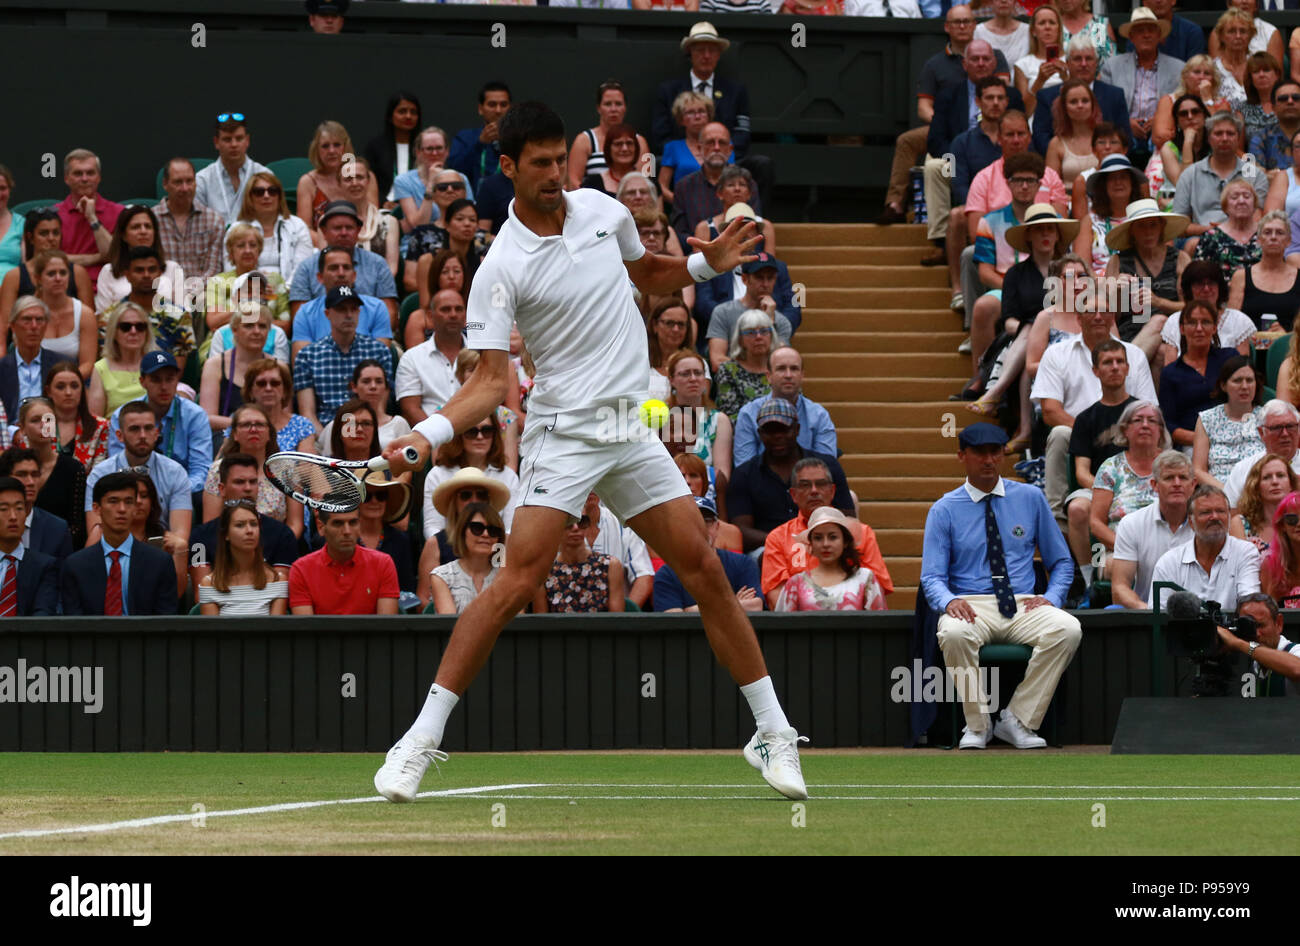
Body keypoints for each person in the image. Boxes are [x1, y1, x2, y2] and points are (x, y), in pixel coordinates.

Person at [374, 101, 808, 803]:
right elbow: (489, 382)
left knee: (701, 564)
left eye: (559, 160)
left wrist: (704, 263)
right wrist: (426, 436)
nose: (554, 175)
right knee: (515, 583)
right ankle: (419, 741)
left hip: (630, 430)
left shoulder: (604, 211)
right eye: (538, 163)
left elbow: (647, 271)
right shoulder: (499, 268)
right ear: (508, 167)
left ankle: (771, 732)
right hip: (563, 435)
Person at [921, 422, 1081, 750]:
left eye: (996, 452)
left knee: (1068, 628)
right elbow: (931, 577)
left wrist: (1051, 597)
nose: (989, 460)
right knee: (952, 633)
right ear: (961, 456)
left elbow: (1062, 562)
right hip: (971, 603)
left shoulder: (1031, 498)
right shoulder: (944, 509)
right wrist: (948, 601)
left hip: (1024, 603)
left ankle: (1018, 720)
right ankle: (977, 726)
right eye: (980, 453)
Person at [1032, 301, 1158, 522]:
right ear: (1078, 319)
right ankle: (1057, 521)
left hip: (1129, 434)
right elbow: (1050, 411)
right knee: (1060, 434)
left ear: (1114, 318)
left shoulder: (1134, 355)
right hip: (1077, 429)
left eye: (1106, 311)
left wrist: (1121, 433)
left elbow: (1149, 410)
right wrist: (1089, 430)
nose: (1099, 316)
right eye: (1091, 311)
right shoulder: (1057, 354)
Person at [760, 455, 892, 608]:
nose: (814, 491)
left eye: (821, 484)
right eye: (805, 485)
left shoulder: (862, 533)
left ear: (833, 491)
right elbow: (778, 601)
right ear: (793, 495)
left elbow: (876, 592)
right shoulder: (778, 538)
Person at [730, 400, 856, 553]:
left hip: (824, 542)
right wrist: (784, 541)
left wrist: (812, 540)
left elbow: (848, 518)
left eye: (784, 430)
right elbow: (740, 531)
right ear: (760, 434)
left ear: (797, 429)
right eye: (770, 431)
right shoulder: (745, 474)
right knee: (765, 555)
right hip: (767, 546)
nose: (777, 436)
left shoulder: (827, 466)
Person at [1059, 340, 1137, 575]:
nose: (1115, 367)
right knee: (1078, 509)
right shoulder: (1085, 418)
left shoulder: (1142, 412)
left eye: (1119, 361)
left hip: (1141, 484)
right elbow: (1081, 471)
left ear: (1128, 367)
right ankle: (1089, 578)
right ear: (1096, 371)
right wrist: (1106, 492)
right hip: (1097, 487)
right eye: (1107, 362)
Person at [60, 471, 179, 615]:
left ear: (135, 508)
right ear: (97, 508)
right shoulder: (75, 565)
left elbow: (165, 622)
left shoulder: (159, 562)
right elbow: (74, 625)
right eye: (113, 501)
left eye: (128, 502)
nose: (122, 509)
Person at [189, 452, 299, 590]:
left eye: (253, 482)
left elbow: (280, 591)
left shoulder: (282, 534)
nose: (248, 488)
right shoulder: (199, 538)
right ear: (222, 489)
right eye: (239, 482)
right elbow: (201, 593)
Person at [106, 350, 210, 495]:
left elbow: (200, 470)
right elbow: (117, 465)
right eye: (156, 379)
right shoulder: (122, 416)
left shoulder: (195, 416)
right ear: (143, 382)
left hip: (182, 490)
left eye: (170, 379)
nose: (164, 387)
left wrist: (175, 491)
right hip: (133, 491)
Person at [293, 285, 394, 430]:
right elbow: (308, 415)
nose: (348, 315)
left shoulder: (379, 351)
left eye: (353, 309)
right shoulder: (308, 356)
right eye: (341, 309)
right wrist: (327, 442)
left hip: (369, 430)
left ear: (359, 312)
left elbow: (379, 410)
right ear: (327, 313)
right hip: (325, 432)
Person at [1150, 483, 1260, 610]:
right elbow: (1158, 616)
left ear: (1229, 517)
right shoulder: (1169, 562)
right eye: (1205, 512)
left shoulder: (1245, 552)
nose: (1215, 517)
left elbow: (1250, 606)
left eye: (1220, 511)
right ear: (1191, 522)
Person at [203, 403, 303, 538]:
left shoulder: (287, 470)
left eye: (260, 425)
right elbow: (211, 524)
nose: (253, 429)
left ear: (269, 434)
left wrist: (278, 548)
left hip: (277, 544)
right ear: (235, 435)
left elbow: (295, 524)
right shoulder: (218, 470)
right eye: (245, 425)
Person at [1099, 7, 1186, 163]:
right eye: (1140, 31)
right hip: (1122, 135)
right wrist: (1125, 121)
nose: (1146, 35)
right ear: (1131, 37)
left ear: (1159, 35)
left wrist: (1160, 120)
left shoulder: (1178, 68)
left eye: (1151, 30)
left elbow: (1183, 105)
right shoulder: (1112, 66)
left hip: (1163, 137)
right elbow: (1105, 106)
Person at [1111, 448, 1195, 607]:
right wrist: (1150, 612)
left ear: (1193, 485)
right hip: (1146, 615)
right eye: (1169, 478)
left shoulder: (1208, 522)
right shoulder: (1131, 524)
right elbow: (1119, 588)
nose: (1177, 484)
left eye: (1183, 478)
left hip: (1200, 618)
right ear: (1154, 485)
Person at [287, 201, 398, 320]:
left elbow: (390, 314)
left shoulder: (377, 264)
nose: (343, 233)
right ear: (324, 232)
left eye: (349, 228)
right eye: (337, 228)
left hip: (369, 334)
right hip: (319, 335)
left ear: (358, 230)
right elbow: (299, 317)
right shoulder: (306, 268)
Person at [0, 210, 93, 347]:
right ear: (30, 237)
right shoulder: (14, 276)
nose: (51, 238)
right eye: (44, 233)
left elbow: (88, 322)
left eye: (56, 233)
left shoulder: (78, 273)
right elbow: (5, 326)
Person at [1089, 399, 1170, 557]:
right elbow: (1096, 523)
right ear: (1125, 429)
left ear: (1160, 430)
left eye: (1152, 421)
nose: (1145, 425)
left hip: (1167, 551)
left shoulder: (1174, 465)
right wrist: (1128, 549)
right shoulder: (1111, 467)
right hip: (1117, 550)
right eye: (1138, 420)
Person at [97, 247, 196, 374]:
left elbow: (179, 369)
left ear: (160, 274)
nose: (146, 275)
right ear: (127, 275)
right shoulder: (109, 317)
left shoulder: (179, 316)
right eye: (139, 270)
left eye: (152, 269)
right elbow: (106, 362)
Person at [732, 348, 836, 470]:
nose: (788, 375)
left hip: (808, 485)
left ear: (802, 375)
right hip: (760, 485)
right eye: (781, 369)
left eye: (794, 369)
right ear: (769, 376)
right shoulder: (749, 414)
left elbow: (826, 467)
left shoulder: (819, 415)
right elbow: (745, 469)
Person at [655, 495, 760, 613]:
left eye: (706, 521)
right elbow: (673, 621)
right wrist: (735, 604)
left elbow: (756, 606)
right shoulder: (666, 574)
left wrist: (692, 610)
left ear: (717, 526)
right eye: (693, 521)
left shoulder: (743, 564)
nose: (701, 528)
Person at [1171, 111, 1272, 233]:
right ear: (1209, 138)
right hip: (1201, 237)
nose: (1224, 138)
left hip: (1245, 236)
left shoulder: (1254, 174)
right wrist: (1210, 231)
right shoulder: (1190, 174)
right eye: (1218, 134)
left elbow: (1258, 216)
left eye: (1230, 134)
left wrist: (1232, 231)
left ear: (1238, 138)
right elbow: (1179, 225)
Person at [421, 413, 519, 538]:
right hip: (450, 548)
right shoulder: (437, 475)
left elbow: (509, 529)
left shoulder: (508, 476)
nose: (480, 437)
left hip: (492, 548)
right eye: (472, 431)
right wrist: (449, 551)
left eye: (487, 431)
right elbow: (432, 527)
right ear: (459, 435)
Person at [1104, 200, 1191, 339]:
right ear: (1132, 231)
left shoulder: (1179, 258)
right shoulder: (1117, 262)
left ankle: (1134, 359)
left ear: (1161, 227)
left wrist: (1159, 302)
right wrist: (1117, 292)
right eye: (1141, 226)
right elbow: (1108, 316)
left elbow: (1191, 308)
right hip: (1130, 333)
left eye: (1153, 225)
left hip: (1173, 331)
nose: (1148, 232)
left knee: (1162, 336)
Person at [1159, 299, 1239, 449]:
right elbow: (1168, 424)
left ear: (1215, 328)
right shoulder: (1171, 373)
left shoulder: (1230, 359)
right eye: (1192, 323)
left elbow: (1246, 400)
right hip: (1191, 444)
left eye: (1206, 322)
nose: (1199, 328)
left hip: (1233, 437)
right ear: (1182, 329)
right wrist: (1203, 439)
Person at [289, 507, 400, 615]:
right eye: (338, 523)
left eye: (353, 523)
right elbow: (306, 630)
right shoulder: (301, 570)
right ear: (321, 527)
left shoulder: (382, 563)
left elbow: (386, 628)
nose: (347, 531)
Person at [774, 506, 885, 612]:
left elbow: (879, 623)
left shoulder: (865, 578)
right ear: (810, 543)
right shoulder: (796, 583)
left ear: (845, 541)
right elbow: (783, 626)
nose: (825, 544)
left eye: (833, 537)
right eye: (818, 538)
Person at [320, 469, 414, 593]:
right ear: (354, 501)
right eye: (367, 496)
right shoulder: (337, 539)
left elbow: (407, 591)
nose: (374, 501)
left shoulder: (400, 541)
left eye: (381, 496)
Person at [291, 248, 391, 360]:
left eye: (346, 268)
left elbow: (381, 360)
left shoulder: (377, 308)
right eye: (333, 268)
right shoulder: (305, 312)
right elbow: (301, 362)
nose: (341, 273)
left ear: (354, 276)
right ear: (320, 277)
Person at [12, 398, 86, 544]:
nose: (43, 425)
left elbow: (77, 526)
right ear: (22, 428)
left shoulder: (73, 469)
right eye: (35, 420)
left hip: (59, 551)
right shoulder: (10, 467)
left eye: (48, 420)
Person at [197, 499, 289, 616]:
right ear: (226, 534)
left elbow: (276, 633)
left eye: (254, 524)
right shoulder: (209, 584)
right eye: (240, 525)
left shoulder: (278, 580)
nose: (249, 531)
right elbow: (214, 633)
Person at [704, 253, 793, 372]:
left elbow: (783, 363)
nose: (765, 284)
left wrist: (770, 321)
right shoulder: (723, 312)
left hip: (769, 386)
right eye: (759, 277)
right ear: (745, 279)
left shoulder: (781, 321)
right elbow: (717, 360)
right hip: (733, 384)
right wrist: (752, 373)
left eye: (770, 278)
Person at [671, 123, 753, 250]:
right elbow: (680, 233)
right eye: (710, 142)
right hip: (698, 254)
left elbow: (755, 225)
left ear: (730, 149)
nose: (716, 148)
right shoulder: (684, 186)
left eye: (722, 143)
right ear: (699, 148)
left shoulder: (747, 183)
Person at [200, 302, 275, 440]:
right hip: (226, 439)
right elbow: (206, 418)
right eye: (249, 325)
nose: (257, 331)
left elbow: (284, 415)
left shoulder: (277, 366)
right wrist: (246, 425)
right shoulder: (215, 365)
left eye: (262, 326)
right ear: (234, 330)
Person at [205, 226, 290, 344]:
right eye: (240, 246)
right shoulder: (218, 281)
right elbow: (213, 322)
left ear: (259, 250)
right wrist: (246, 301)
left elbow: (286, 325)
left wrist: (237, 324)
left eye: (253, 245)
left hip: (268, 341)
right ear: (231, 253)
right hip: (225, 341)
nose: (247, 250)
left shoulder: (274, 280)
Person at [1159, 260, 1255, 362]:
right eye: (1199, 284)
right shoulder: (1174, 321)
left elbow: (1242, 368)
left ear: (1219, 287)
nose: (1206, 289)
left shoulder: (1239, 320)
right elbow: (1170, 370)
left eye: (1211, 283)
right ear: (1189, 289)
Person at [297, 121, 376, 243]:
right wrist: (333, 244)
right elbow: (304, 229)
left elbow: (373, 219)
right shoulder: (307, 182)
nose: (331, 151)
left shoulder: (365, 176)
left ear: (346, 147)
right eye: (325, 146)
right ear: (316, 149)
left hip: (365, 244)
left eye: (337, 145)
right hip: (322, 248)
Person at [1193, 355, 1265, 488]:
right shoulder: (1207, 418)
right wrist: (1227, 493)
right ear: (1223, 385)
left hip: (1258, 491)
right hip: (1217, 493)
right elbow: (1198, 471)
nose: (1244, 386)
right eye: (1237, 381)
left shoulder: (1266, 417)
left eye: (1249, 380)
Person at [397, 289, 465, 426]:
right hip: (430, 439)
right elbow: (410, 409)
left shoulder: (480, 355)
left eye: (458, 309)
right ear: (430, 316)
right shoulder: (412, 358)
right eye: (446, 310)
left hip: (476, 434)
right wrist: (438, 434)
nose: (453, 314)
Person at [568, 80, 652, 192]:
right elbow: (572, 182)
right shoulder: (583, 140)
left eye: (618, 104)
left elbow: (649, 181)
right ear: (598, 108)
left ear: (625, 108)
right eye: (608, 104)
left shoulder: (641, 141)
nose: (613, 109)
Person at [228, 172, 314, 279]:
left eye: (272, 191)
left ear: (279, 196)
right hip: (247, 290)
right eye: (259, 192)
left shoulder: (298, 226)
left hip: (290, 292)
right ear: (250, 198)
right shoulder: (236, 229)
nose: (266, 196)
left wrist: (284, 290)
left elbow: (303, 269)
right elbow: (230, 268)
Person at [535, 512, 625, 613]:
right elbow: (541, 622)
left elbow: (617, 620)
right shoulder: (543, 571)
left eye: (581, 522)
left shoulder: (611, 566)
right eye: (568, 522)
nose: (575, 528)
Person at [153, 157, 225, 282]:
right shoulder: (150, 220)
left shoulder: (213, 221)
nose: (185, 188)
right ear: (165, 184)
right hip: (161, 294)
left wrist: (189, 292)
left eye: (189, 181)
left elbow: (214, 270)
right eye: (178, 182)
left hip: (201, 295)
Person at [56, 149, 123, 281]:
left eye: (90, 173)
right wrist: (98, 257)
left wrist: (92, 218)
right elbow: (51, 259)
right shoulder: (53, 214)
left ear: (99, 177)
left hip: (106, 288)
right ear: (66, 178)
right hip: (64, 286)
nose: (85, 178)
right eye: (78, 173)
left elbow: (114, 256)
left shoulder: (119, 212)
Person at [664, 349, 731, 479]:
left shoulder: (719, 420)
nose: (693, 379)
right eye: (685, 374)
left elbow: (722, 475)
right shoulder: (660, 416)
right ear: (671, 380)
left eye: (698, 373)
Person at [430, 502, 505, 615]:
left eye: (493, 530)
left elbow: (517, 624)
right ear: (462, 532)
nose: (485, 534)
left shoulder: (506, 577)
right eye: (477, 528)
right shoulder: (442, 576)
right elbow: (450, 625)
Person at [31, 251, 96, 380]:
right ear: (38, 279)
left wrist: (62, 384)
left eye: (63, 273)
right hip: (34, 381)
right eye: (51, 273)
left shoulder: (85, 314)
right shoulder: (28, 312)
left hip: (73, 385)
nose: (58, 278)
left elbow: (87, 364)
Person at [319, 360, 410, 452]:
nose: (373, 386)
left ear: (386, 387)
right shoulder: (336, 425)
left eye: (379, 381)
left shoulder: (399, 424)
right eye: (366, 381)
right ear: (354, 386)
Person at [1222, 399, 1300, 506]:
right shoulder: (1243, 469)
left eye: (1290, 426)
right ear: (1261, 433)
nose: (1285, 434)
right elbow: (1229, 511)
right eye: (1277, 428)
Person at [195, 114, 269, 227]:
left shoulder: (264, 175)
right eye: (227, 139)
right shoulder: (202, 180)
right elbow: (197, 224)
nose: (234, 144)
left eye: (239, 138)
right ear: (216, 142)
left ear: (247, 141)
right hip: (215, 242)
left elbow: (271, 221)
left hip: (256, 242)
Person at [1231, 210, 1300, 329]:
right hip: (1249, 345)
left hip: (1290, 345)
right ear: (1258, 240)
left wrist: (1286, 338)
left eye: (1279, 232)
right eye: (1267, 232)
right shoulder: (1241, 277)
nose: (1273, 237)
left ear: (1289, 241)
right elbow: (1231, 324)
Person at [0, 475, 57, 616]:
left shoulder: (45, 566)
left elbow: (43, 614)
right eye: (4, 509)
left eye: (19, 508)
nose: (13, 516)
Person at [0, 297, 63, 422]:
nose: (34, 326)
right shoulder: (1, 368)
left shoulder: (60, 365)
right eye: (27, 320)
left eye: (39, 320)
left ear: (46, 326)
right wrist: (13, 433)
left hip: (51, 432)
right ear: (13, 326)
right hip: (9, 436)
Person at [1218, 593, 1300, 688]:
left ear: (1278, 623)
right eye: (1249, 627)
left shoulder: (1295, 651)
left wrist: (1238, 643)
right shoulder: (1247, 664)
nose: (1257, 634)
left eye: (1261, 625)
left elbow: (1297, 670)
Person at [88, 302, 154, 419]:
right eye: (125, 327)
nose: (133, 331)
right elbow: (95, 420)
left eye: (140, 327)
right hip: (114, 434)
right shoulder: (101, 368)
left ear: (147, 332)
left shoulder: (156, 364)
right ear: (114, 333)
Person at [1151, 55, 1230, 152]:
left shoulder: (1222, 104)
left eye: (1207, 73)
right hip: (1173, 152)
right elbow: (1160, 137)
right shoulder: (1169, 100)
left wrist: (1207, 101)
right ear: (1185, 77)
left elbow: (1223, 136)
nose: (1201, 77)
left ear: (1213, 79)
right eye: (1196, 72)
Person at [1191, 178, 1264, 283]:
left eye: (1247, 196)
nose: (1241, 201)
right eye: (1234, 197)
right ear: (1225, 206)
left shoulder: (1267, 233)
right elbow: (1198, 274)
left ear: (1255, 204)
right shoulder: (1211, 237)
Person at [41, 361, 109, 471]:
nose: (68, 392)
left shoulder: (101, 427)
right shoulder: (36, 425)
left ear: (82, 389)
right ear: (48, 391)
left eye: (74, 386)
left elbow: (99, 473)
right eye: (60, 387)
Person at [693, 167, 774, 259]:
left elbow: (770, 265)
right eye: (731, 185)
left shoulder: (766, 226)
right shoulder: (704, 227)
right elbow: (698, 267)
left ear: (749, 194)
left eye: (742, 185)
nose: (737, 189)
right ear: (719, 194)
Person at [340, 156, 398, 279]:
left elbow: (391, 269)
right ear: (339, 184)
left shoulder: (388, 221)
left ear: (368, 181)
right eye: (348, 179)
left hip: (379, 291)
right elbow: (328, 266)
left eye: (360, 177)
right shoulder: (328, 222)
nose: (354, 183)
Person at [448, 82, 512, 193]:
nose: (498, 110)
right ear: (480, 108)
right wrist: (480, 143)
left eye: (503, 105)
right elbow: (454, 172)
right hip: (472, 204)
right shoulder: (465, 138)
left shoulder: (520, 139)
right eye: (492, 104)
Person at [242, 358, 315, 454]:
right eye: (261, 383)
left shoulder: (301, 425)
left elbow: (307, 465)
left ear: (285, 390)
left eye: (275, 383)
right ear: (250, 391)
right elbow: (223, 462)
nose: (268, 388)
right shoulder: (241, 422)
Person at [1230, 453, 1299, 552]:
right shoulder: (1240, 524)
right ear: (1256, 486)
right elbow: (1238, 565)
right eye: (1266, 477)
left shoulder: (1298, 522)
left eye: (1280, 475)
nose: (1275, 482)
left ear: (1291, 484)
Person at [714, 310, 775, 422]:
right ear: (740, 340)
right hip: (742, 434)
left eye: (764, 331)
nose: (758, 337)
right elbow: (731, 416)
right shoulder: (728, 370)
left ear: (771, 336)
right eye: (751, 332)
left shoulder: (781, 368)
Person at [364, 91, 422, 206]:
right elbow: (367, 181)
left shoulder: (424, 147)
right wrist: (383, 202)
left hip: (418, 208)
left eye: (413, 112)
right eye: (402, 111)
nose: (408, 116)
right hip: (384, 208)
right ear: (390, 116)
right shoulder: (375, 147)